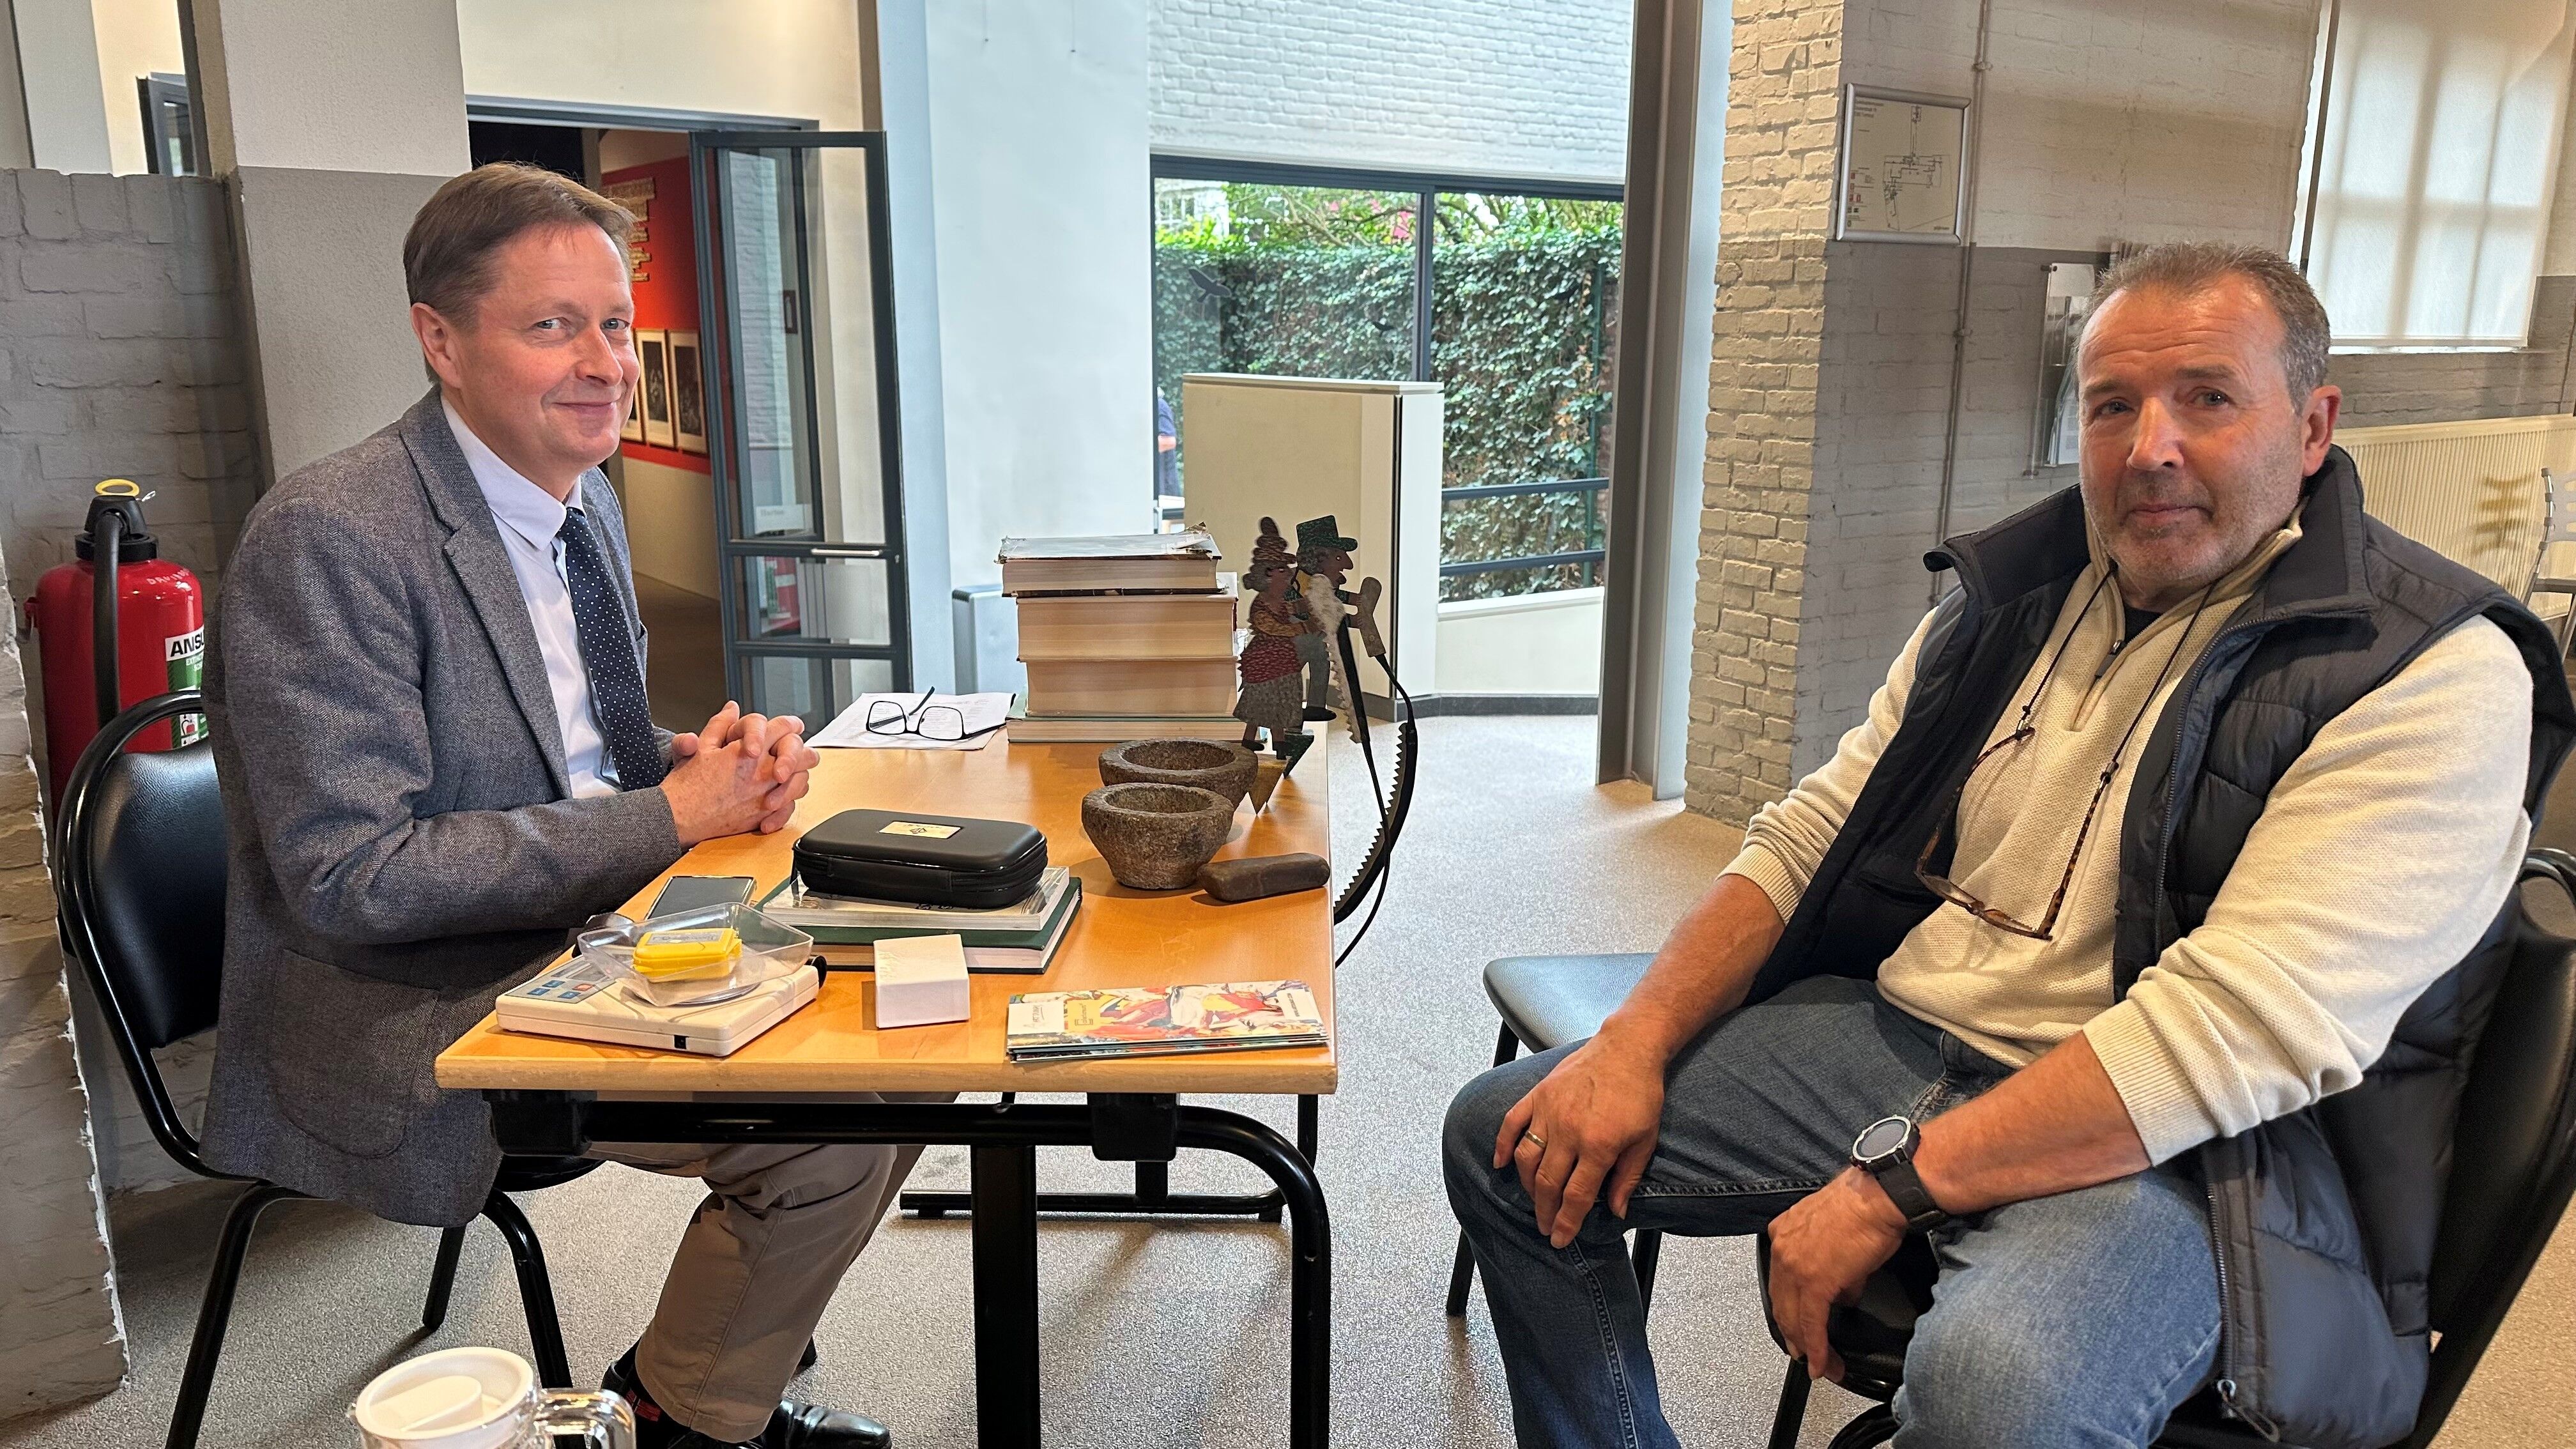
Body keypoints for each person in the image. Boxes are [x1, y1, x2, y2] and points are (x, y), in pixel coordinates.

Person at [1445, 241, 2576, 1449]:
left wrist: (1887, 1192)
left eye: (2207, 397)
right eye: (2112, 406)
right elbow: (1815, 828)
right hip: (1910, 1037)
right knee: (1511, 1143)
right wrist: (1633, 1043)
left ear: (2311, 427)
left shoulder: (2432, 668)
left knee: (2002, 1390)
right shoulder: (2011, 597)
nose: (2150, 447)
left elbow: (2237, 1031)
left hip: (2184, 1143)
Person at [201, 164, 906, 1449]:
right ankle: (678, 1416)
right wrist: (674, 815)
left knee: (891, 1035)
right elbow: (354, 876)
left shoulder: (580, 508)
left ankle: (709, 1381)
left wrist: (701, 764)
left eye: (616, 325)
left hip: (593, 931)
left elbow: (580, 757)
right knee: (837, 1135)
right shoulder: (330, 536)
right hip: (425, 999)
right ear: (441, 341)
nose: (607, 363)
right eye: (552, 327)